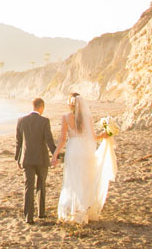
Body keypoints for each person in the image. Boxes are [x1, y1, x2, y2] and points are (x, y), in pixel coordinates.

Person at [50, 92, 117, 224]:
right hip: (85, 150)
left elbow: (63, 139)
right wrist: (103, 136)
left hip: (73, 150)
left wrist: (55, 154)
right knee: (84, 179)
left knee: (71, 179)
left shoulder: (65, 117)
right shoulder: (87, 117)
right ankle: (83, 210)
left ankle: (71, 210)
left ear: (70, 104)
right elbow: (92, 137)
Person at [14, 97, 57, 224]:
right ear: (41, 107)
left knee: (28, 187)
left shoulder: (21, 121)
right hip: (41, 158)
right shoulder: (44, 121)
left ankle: (28, 217)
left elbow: (18, 142)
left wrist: (17, 158)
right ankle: (41, 212)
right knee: (41, 185)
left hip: (26, 159)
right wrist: (55, 154)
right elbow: (49, 140)